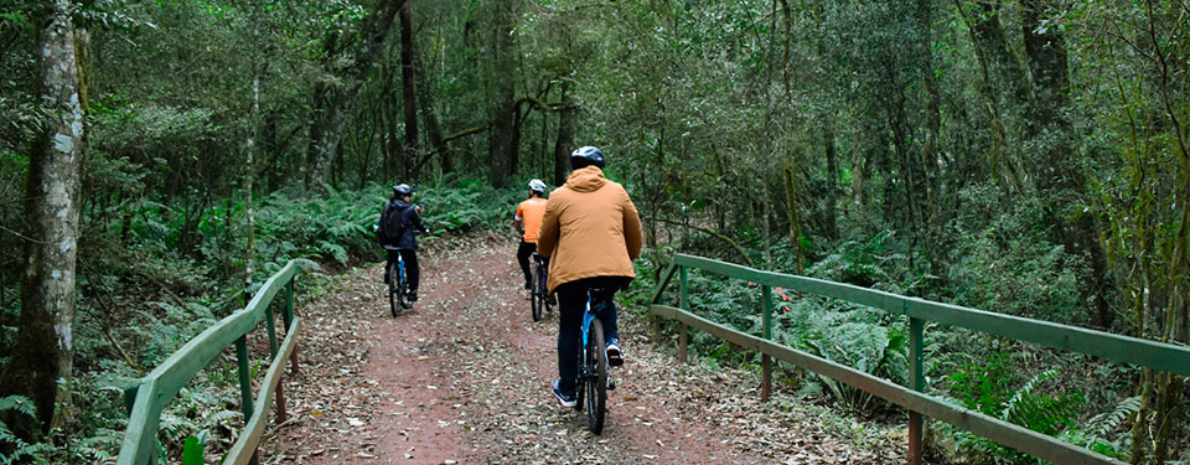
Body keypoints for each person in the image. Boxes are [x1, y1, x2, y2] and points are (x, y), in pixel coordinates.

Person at [537, 146, 643, 408]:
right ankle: (611, 341)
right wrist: (631, 254)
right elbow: (634, 230)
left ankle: (568, 391)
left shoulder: (559, 195)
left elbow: (545, 240)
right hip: (611, 267)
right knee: (605, 300)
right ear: (599, 168)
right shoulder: (617, 190)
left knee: (570, 326)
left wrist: (545, 254)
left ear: (574, 168)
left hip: (571, 273)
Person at [379, 184, 430, 302]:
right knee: (412, 264)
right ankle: (412, 291)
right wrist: (425, 230)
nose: (410, 198)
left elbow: (382, 221)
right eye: (408, 196)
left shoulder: (387, 206)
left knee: (392, 256)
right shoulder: (410, 209)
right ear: (402, 196)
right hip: (405, 243)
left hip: (388, 241)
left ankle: (388, 274)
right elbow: (418, 223)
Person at [514, 179, 550, 290]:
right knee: (550, 261)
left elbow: (517, 223)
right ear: (542, 192)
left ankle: (529, 279)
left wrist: (521, 232)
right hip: (545, 240)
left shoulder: (523, 205)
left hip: (529, 240)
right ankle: (548, 286)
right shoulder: (548, 204)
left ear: (531, 191)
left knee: (521, 256)